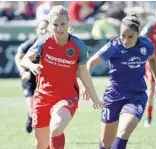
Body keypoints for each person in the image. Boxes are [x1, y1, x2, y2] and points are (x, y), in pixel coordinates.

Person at [20, 5, 102, 149]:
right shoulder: (44, 41)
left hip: (67, 96)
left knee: (56, 127)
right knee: (41, 144)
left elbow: (84, 73)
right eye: (55, 25)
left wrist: (95, 98)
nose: (59, 28)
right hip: (42, 96)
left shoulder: (78, 46)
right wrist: (32, 66)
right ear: (50, 25)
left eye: (63, 24)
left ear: (68, 22)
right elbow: (24, 59)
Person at [83, 13, 156, 149]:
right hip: (114, 95)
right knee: (106, 142)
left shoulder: (146, 45)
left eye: (130, 36)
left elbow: (153, 59)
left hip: (136, 96)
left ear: (138, 34)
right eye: (122, 36)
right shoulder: (114, 46)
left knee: (125, 130)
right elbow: (90, 63)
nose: (125, 40)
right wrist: (86, 86)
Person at [15, 19, 49, 133]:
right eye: (41, 28)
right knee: (33, 110)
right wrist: (22, 71)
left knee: (43, 108)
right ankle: (31, 117)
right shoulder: (31, 43)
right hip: (29, 77)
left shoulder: (51, 43)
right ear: (37, 30)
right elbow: (18, 57)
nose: (44, 31)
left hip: (44, 78)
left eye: (46, 28)